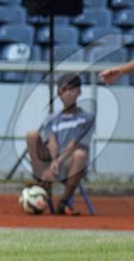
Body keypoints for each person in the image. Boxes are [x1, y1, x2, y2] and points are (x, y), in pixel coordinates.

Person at [24, 73, 94, 215]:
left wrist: (58, 161)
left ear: (79, 91)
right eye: (64, 89)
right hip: (52, 162)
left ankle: (64, 203)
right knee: (32, 135)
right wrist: (52, 162)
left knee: (80, 155)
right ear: (58, 93)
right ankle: (43, 184)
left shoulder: (86, 118)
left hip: (71, 165)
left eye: (71, 89)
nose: (67, 93)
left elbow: (75, 143)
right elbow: (52, 142)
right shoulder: (51, 118)